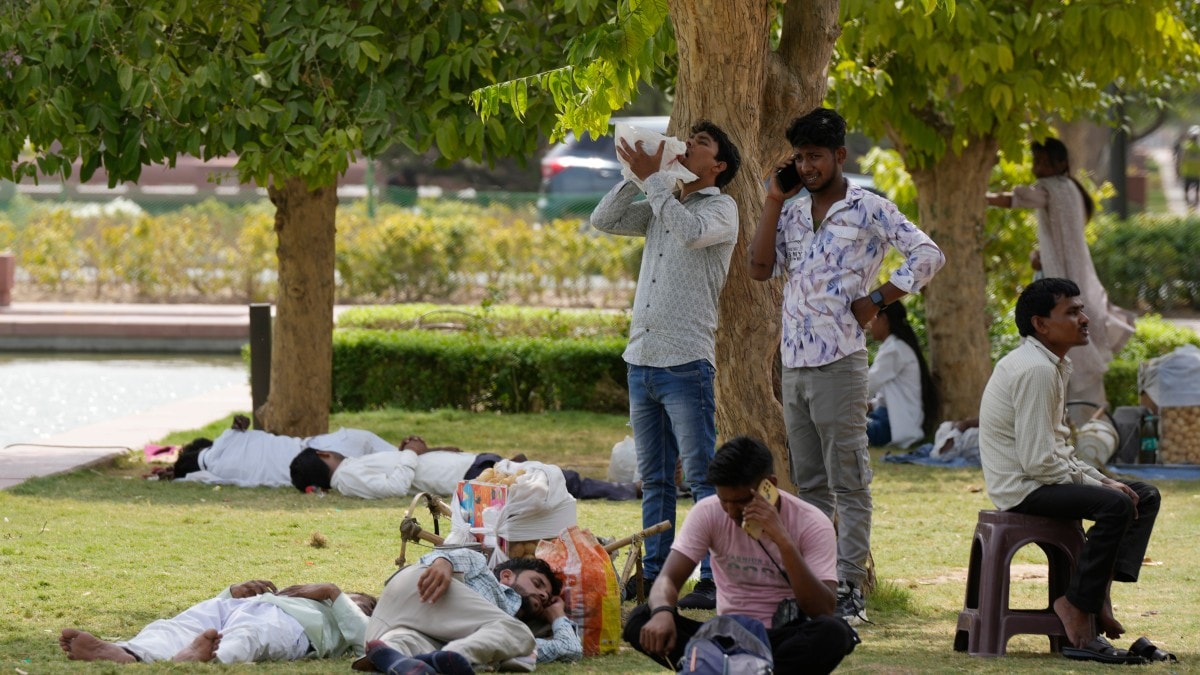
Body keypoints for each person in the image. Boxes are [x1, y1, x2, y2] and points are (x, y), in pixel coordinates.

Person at [748, 107, 944, 623]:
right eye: (800, 158)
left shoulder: (869, 208)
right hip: (794, 363)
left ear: (839, 155)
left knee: (850, 481)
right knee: (808, 484)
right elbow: (759, 268)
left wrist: (877, 297)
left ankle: (851, 587)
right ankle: (815, 586)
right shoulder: (789, 210)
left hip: (841, 362)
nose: (806, 167)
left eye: (815, 157)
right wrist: (772, 199)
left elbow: (928, 255)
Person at [590, 119, 742, 609]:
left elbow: (691, 232)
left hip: (686, 364)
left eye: (700, 144)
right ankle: (655, 578)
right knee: (655, 480)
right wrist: (637, 174)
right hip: (642, 362)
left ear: (717, 165)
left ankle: (715, 582)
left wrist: (657, 181)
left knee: (702, 478)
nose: (688, 147)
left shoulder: (721, 208)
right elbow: (604, 220)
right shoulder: (661, 201)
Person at [978, 278, 1161, 662]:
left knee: (1143, 494)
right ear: (1041, 324)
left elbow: (1057, 450)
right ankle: (1077, 606)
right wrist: (1103, 486)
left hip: (1041, 475)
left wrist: (1103, 479)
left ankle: (1096, 593)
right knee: (1116, 506)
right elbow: (1039, 462)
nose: (1084, 318)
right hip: (1024, 486)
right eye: (1072, 312)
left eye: (1082, 310)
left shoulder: (1052, 363)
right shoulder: (1036, 370)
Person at [623, 436, 858, 674]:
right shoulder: (708, 511)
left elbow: (823, 608)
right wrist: (662, 613)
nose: (732, 511)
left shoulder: (812, 522)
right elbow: (668, 580)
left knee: (834, 632)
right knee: (641, 618)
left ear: (770, 485)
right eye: (725, 501)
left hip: (783, 638)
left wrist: (784, 541)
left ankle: (721, 667)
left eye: (742, 501)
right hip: (725, 635)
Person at [986, 138, 1135, 425]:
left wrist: (982, 197)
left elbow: (1020, 199)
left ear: (1061, 164)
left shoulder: (1052, 188)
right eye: (1036, 162)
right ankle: (1089, 431)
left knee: (1063, 363)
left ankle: (1070, 430)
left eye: (1044, 162)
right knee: (1077, 368)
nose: (1038, 168)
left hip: (1059, 289)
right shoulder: (1071, 190)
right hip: (1073, 284)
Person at [356, 547, 582, 673]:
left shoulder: (501, 638)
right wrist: (443, 562)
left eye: (547, 596)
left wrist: (558, 616)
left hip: (392, 628)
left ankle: (393, 659)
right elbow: (450, 555)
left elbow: (570, 650)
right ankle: (454, 657)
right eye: (538, 583)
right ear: (506, 575)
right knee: (519, 633)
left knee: (409, 644)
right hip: (418, 586)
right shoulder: (483, 571)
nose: (543, 595)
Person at [59, 579, 375, 665]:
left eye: (357, 600)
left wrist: (334, 593)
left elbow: (369, 641)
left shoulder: (352, 618)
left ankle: (208, 657)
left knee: (248, 636)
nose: (352, 599)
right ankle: (127, 651)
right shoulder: (308, 594)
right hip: (246, 606)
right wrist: (233, 592)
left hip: (295, 627)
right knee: (175, 625)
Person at [288, 435, 639, 501]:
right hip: (466, 475)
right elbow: (395, 487)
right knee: (556, 478)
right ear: (323, 456)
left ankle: (628, 490)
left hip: (465, 465)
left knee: (546, 474)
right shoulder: (347, 477)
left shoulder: (350, 471)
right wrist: (411, 453)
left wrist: (427, 450)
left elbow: (401, 468)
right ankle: (629, 491)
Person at [172, 415, 401, 488]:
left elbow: (198, 477)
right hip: (324, 447)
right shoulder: (227, 438)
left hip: (325, 467)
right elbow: (239, 425)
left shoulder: (217, 475)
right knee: (406, 458)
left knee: (396, 466)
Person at [867, 301, 938, 448]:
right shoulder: (895, 347)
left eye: (872, 317)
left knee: (837, 427)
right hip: (885, 419)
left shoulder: (895, 349)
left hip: (890, 426)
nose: (869, 324)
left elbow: (866, 386)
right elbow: (886, 398)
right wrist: (870, 406)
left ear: (884, 319)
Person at [1177, 126, 1200, 209]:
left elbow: (1181, 159)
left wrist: (1178, 169)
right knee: (1196, 189)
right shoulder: (1197, 148)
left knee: (1187, 189)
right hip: (1196, 172)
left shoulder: (1186, 147)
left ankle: (1188, 203)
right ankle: (1194, 203)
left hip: (1188, 172)